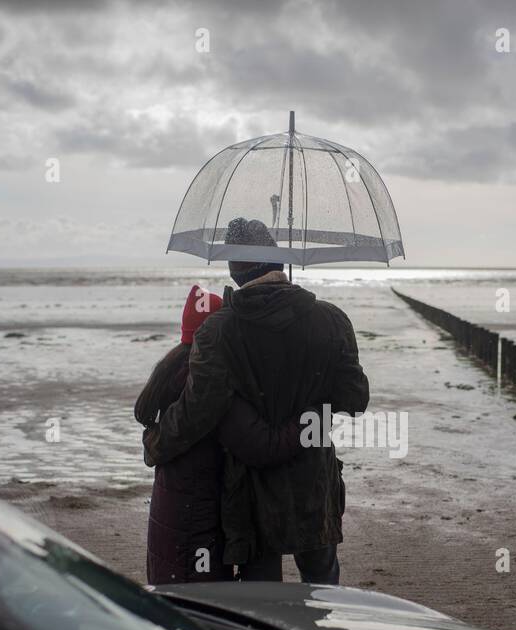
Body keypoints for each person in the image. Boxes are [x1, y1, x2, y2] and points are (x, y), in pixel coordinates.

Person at [142, 218, 369, 584]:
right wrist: (311, 412)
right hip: (314, 482)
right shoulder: (331, 320)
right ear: (279, 261)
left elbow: (197, 411)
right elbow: (355, 398)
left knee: (261, 604)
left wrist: (156, 443)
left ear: (234, 270)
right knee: (326, 592)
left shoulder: (218, 331)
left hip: (251, 493)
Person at [134, 284, 304, 584]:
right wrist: (308, 421)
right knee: (202, 614)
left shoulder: (172, 368)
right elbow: (262, 446)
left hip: (172, 518)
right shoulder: (208, 387)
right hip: (196, 528)